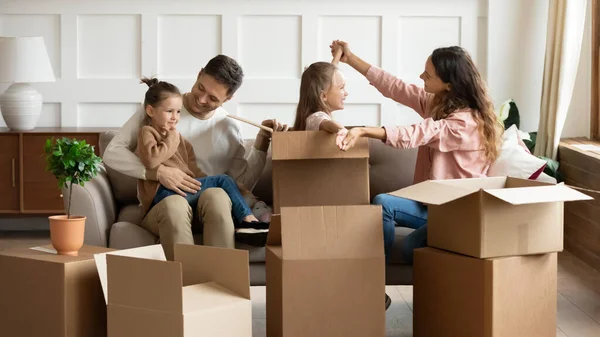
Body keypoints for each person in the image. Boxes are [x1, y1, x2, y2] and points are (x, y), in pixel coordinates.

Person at [330, 40, 503, 261]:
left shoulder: (465, 124)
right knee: (390, 214)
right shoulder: (440, 105)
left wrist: (364, 131)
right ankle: (375, 277)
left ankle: (376, 277)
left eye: (428, 75)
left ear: (449, 84)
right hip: (434, 207)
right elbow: (395, 87)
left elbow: (417, 133)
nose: (421, 77)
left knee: (404, 238)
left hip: (457, 211)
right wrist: (350, 58)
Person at [103, 55, 288, 260]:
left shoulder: (228, 127)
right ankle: (186, 287)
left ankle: (222, 284)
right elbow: (112, 152)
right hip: (164, 207)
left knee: (218, 195)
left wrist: (262, 142)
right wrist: (158, 172)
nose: (201, 100)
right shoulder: (163, 108)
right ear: (199, 73)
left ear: (228, 99)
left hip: (207, 209)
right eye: (201, 88)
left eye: (213, 98)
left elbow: (240, 184)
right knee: (176, 204)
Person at [135, 77, 269, 249]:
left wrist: (226, 187)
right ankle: (248, 220)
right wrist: (171, 138)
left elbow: (195, 173)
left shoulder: (183, 141)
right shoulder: (148, 131)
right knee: (223, 180)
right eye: (169, 111)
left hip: (184, 192)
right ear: (151, 111)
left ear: (226, 99)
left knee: (219, 187)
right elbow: (151, 159)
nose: (175, 118)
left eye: (177, 112)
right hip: (162, 195)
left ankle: (222, 272)